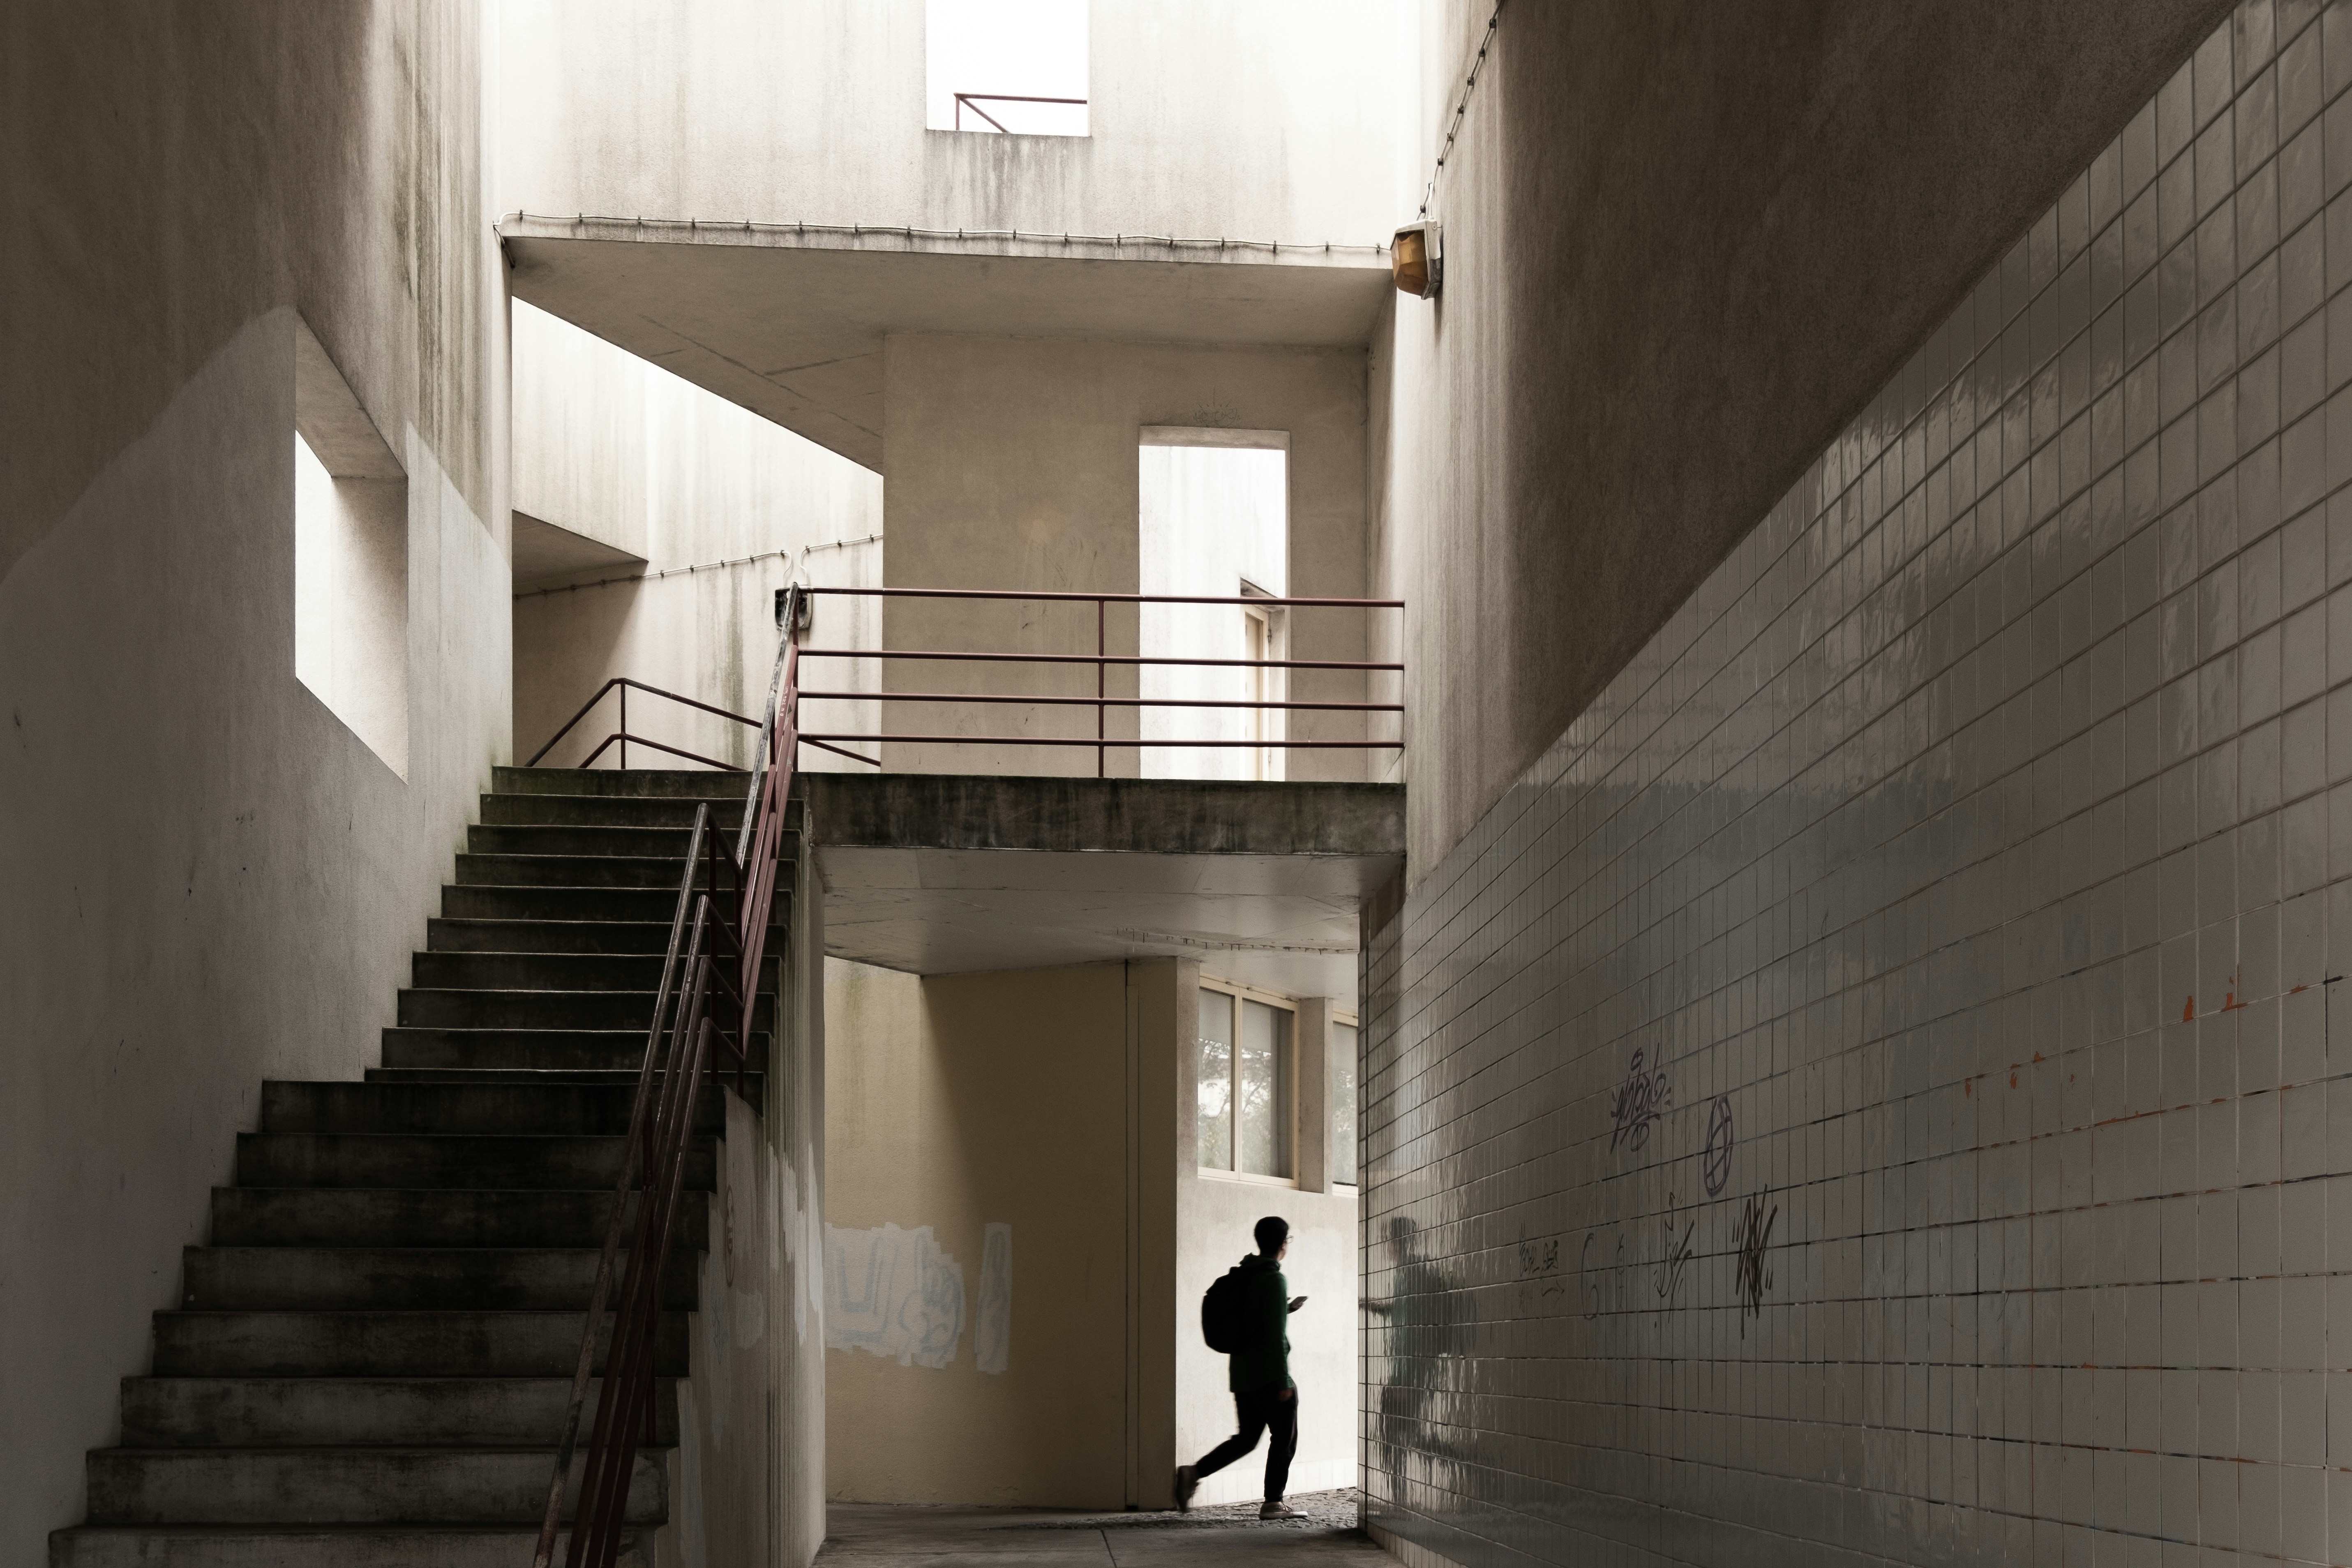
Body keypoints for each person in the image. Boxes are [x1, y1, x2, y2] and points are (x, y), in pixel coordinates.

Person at [1175, 1215, 1307, 1520]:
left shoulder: (1246, 1273)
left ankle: (1192, 1472)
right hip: (1270, 1376)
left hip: (1243, 1374)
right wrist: (1284, 1380)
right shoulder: (1274, 1278)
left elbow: (1252, 1319)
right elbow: (1273, 1334)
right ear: (1283, 1243)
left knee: (1246, 1438)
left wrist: (1285, 1308)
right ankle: (1274, 1502)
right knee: (1284, 1437)